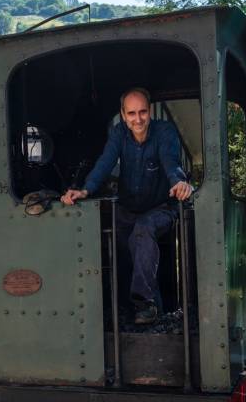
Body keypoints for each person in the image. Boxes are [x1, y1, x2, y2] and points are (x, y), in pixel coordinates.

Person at [61, 87, 192, 324]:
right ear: (123, 115)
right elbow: (105, 162)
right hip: (127, 209)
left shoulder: (164, 132)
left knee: (143, 229)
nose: (138, 119)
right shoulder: (119, 134)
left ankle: (145, 303)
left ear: (150, 111)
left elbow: (170, 162)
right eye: (131, 113)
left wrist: (179, 182)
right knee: (114, 244)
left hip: (161, 207)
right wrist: (85, 189)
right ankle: (122, 311)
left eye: (142, 112)